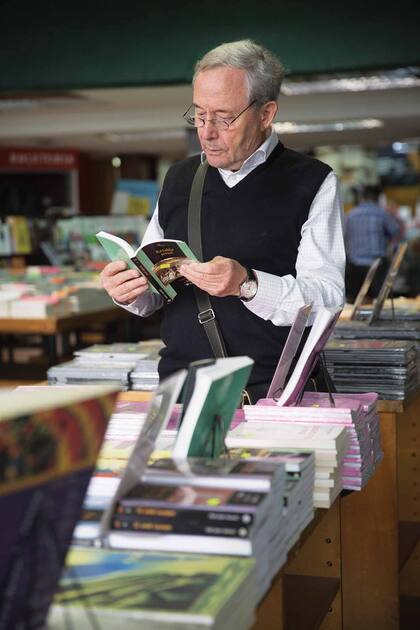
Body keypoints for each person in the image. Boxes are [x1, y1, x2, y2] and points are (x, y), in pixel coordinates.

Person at [100, 39, 346, 402]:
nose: (206, 131)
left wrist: (247, 284)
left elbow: (327, 300)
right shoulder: (179, 178)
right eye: (199, 114)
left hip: (270, 397)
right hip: (182, 390)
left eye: (223, 118)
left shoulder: (313, 181)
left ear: (265, 114)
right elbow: (155, 289)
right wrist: (130, 292)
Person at [345, 185, 401, 303]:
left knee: (354, 301)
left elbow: (344, 237)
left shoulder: (351, 214)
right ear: (378, 198)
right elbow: (396, 232)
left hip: (355, 267)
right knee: (379, 301)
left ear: (362, 198)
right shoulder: (382, 214)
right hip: (377, 267)